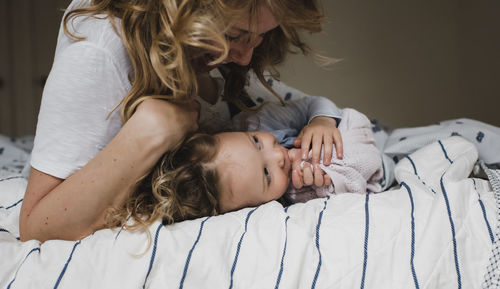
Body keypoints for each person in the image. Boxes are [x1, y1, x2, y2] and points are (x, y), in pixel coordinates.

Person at [19, 0, 333, 242]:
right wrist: (146, 134)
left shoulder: (218, 59)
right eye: (233, 36)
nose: (245, 58)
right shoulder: (98, 53)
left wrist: (321, 119)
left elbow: (308, 107)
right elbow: (36, 226)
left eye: (260, 37)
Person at [113, 97, 382, 227]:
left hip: (373, 135)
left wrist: (320, 121)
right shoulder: (293, 196)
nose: (277, 155)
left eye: (256, 142)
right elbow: (358, 182)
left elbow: (313, 103)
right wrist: (326, 182)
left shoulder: (258, 122)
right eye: (266, 175)